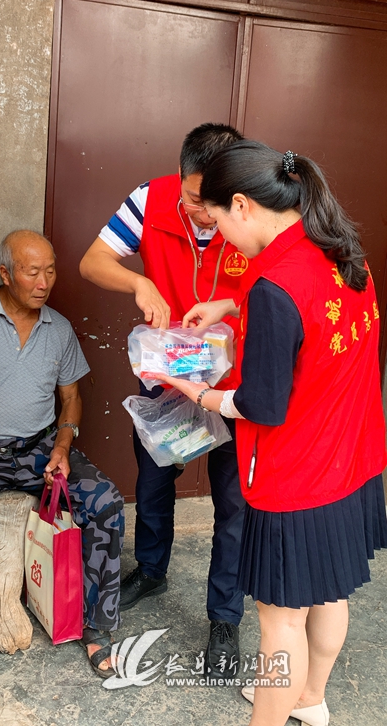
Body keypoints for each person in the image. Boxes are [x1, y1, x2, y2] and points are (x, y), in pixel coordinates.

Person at [161, 141, 387, 726]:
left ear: (241, 205)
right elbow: (310, 328)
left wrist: (198, 394)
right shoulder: (342, 252)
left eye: (216, 221)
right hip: (353, 461)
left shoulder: (275, 287)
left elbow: (262, 403)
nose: (222, 239)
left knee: (280, 621)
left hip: (297, 477)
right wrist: (231, 309)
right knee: (330, 592)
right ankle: (311, 699)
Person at [79, 123, 246, 674]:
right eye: (193, 198)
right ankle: (151, 571)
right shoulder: (149, 200)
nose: (202, 213)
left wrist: (232, 308)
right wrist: (136, 283)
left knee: (233, 506)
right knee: (153, 483)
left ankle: (225, 616)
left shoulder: (254, 212)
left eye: (212, 204)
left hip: (232, 390)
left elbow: (281, 290)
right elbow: (92, 261)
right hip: (168, 380)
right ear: (180, 177)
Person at [0, 230, 125, 678]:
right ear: (5, 274)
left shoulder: (59, 328)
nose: (44, 281)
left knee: (105, 502)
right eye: (32, 271)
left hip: (39, 449)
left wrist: (63, 448)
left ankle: (97, 626)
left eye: (50, 270)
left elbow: (71, 399)